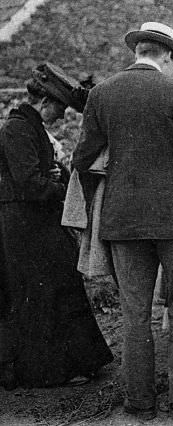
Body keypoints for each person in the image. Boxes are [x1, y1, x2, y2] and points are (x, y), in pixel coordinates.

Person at [72, 22, 173, 421]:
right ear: (167, 55)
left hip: (122, 220)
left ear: (138, 50)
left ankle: (140, 401)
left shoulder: (102, 94)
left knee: (135, 313)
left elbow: (81, 157)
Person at [0, 63, 112, 391]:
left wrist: (54, 176)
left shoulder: (29, 127)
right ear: (45, 103)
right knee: (40, 292)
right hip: (22, 225)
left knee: (58, 283)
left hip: (35, 220)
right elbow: (30, 182)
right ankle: (46, 371)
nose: (61, 116)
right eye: (60, 109)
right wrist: (56, 185)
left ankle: (73, 362)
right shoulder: (18, 129)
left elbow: (47, 173)